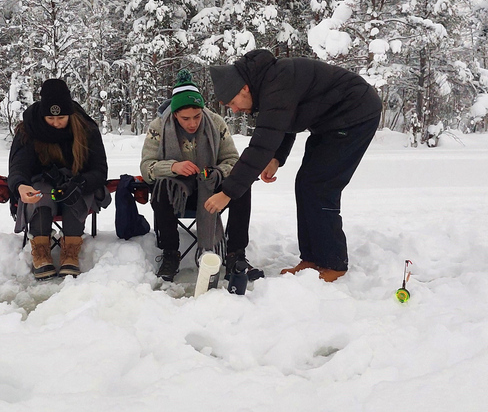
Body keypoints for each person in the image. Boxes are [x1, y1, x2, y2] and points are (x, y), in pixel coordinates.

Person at [206, 49, 382, 282]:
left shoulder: (276, 83)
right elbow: (287, 119)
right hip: (330, 122)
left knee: (321, 185)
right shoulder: (269, 83)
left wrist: (227, 192)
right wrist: (277, 157)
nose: (235, 110)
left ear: (244, 88)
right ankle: (312, 259)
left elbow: (261, 144)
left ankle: (333, 263)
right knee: (306, 183)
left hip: (355, 115)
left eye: (233, 102)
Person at [140, 70, 259, 282]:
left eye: (197, 116)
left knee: (243, 185)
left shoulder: (216, 123)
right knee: (160, 189)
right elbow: (147, 168)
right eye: (186, 118)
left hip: (212, 187)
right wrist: (173, 167)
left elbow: (233, 161)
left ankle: (235, 254)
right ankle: (170, 253)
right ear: (174, 114)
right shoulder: (157, 127)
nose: (193, 123)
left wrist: (217, 172)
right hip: (178, 191)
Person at [8, 78, 110, 280]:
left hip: (77, 182)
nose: (56, 124)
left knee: (75, 195)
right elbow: (19, 165)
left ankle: (71, 252)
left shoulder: (87, 129)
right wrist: (20, 185)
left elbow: (99, 170)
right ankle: (41, 251)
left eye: (61, 118)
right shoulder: (29, 128)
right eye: (51, 119)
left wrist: (81, 183)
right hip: (42, 183)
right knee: (41, 195)